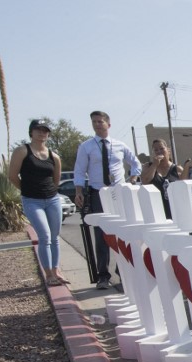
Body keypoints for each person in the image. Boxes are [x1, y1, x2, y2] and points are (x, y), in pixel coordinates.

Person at [73, 111, 142, 289]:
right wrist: (79, 191)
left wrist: (133, 179)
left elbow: (135, 163)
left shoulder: (119, 145)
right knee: (101, 235)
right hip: (98, 193)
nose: (97, 124)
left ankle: (123, 272)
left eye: (100, 121)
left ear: (108, 124)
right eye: (94, 122)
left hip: (118, 193)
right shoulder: (86, 146)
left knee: (121, 233)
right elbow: (79, 170)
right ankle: (103, 275)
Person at [8, 119, 66, 286]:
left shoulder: (54, 156)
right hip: (32, 200)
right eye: (38, 129)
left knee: (55, 237)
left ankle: (56, 271)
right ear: (31, 132)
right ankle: (48, 275)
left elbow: (56, 179)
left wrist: (49, 192)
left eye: (45, 130)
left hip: (52, 199)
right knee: (45, 236)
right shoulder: (22, 151)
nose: (42, 133)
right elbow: (12, 176)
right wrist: (26, 190)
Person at [140, 138, 182, 219]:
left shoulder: (177, 169)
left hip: (175, 210)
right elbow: (145, 181)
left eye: (162, 149)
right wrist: (155, 165)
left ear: (168, 150)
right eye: (156, 150)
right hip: (157, 210)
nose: (159, 152)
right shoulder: (147, 166)